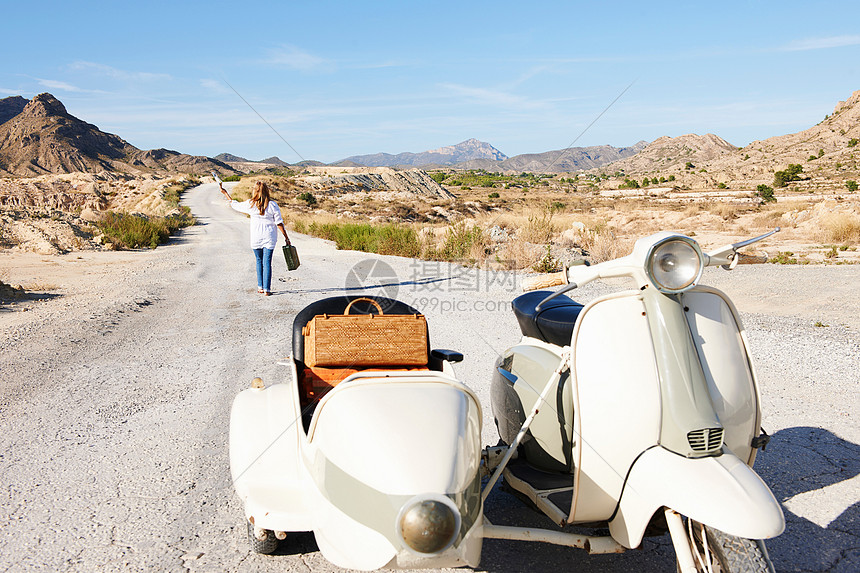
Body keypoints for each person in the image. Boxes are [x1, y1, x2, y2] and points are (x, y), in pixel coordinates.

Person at [219, 180, 290, 296]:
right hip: (269, 238)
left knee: (259, 261)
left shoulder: (250, 204)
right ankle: (267, 290)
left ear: (255, 191)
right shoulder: (272, 205)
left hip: (256, 237)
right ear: (267, 191)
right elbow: (279, 223)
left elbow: (235, 205)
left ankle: (260, 287)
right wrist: (286, 238)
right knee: (267, 262)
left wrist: (225, 193)